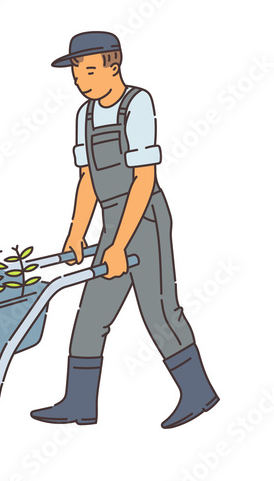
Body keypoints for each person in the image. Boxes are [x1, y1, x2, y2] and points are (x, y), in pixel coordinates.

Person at [30, 31, 219, 428]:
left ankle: (198, 393)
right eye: (77, 73)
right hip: (112, 221)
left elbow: (144, 179)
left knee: (160, 311)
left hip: (143, 216)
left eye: (90, 70)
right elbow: (87, 180)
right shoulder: (84, 115)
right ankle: (79, 403)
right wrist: (77, 234)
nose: (81, 80)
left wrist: (117, 245)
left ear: (114, 64)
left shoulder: (137, 104)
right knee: (91, 314)